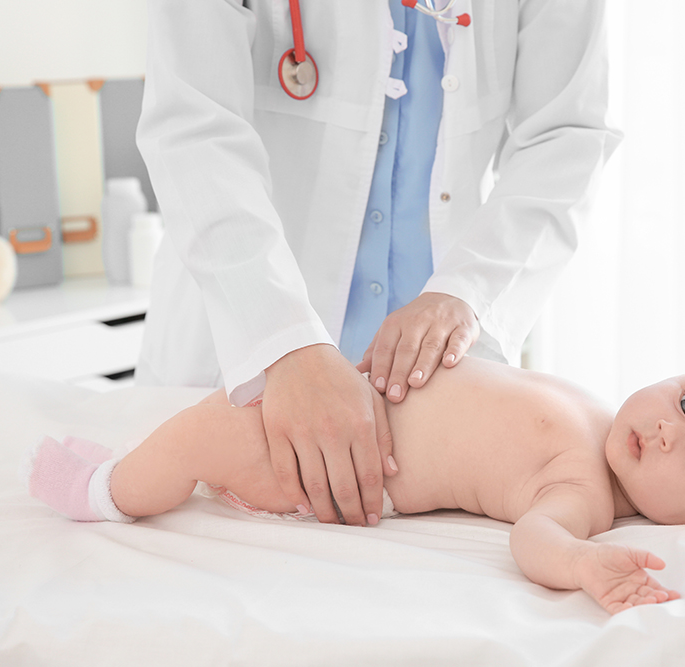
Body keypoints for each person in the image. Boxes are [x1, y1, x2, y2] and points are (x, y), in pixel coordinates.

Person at [134, 0, 622, 528]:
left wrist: (469, 290)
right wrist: (283, 341)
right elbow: (193, 127)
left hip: (429, 394)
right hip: (244, 341)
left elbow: (565, 135)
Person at [22, 359, 685, 615]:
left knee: (209, 431)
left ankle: (104, 490)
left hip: (334, 462)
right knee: (220, 412)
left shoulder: (581, 487)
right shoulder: (596, 411)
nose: (666, 430)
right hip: (336, 404)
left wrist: (583, 564)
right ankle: (123, 467)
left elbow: (533, 537)